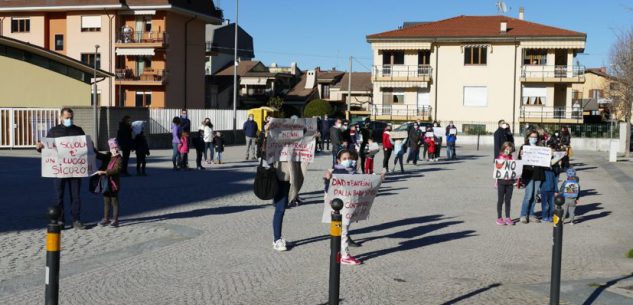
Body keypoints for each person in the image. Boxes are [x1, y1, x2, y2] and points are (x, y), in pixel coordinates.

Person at [35, 107, 87, 230]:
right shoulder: (54, 131)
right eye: (67, 117)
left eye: (71, 117)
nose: (69, 119)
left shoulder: (78, 130)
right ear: (61, 117)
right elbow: (46, 148)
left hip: (75, 170)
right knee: (59, 196)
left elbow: (86, 148)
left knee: (76, 196)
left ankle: (76, 220)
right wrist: (39, 147)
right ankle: (60, 220)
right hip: (59, 170)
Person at [271, 159, 302, 252]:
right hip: (280, 173)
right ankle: (277, 239)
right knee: (280, 208)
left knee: (282, 207)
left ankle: (277, 238)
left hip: (289, 171)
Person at [518, 130, 546, 224]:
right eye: (532, 137)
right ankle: (523, 215)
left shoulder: (541, 147)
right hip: (528, 174)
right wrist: (521, 155)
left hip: (538, 174)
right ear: (528, 137)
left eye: (535, 137)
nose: (533, 138)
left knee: (534, 196)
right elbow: (519, 160)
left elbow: (544, 160)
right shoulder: (524, 147)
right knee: (528, 195)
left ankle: (531, 214)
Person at [96, 138, 123, 227]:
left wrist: (104, 172)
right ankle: (106, 219)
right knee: (106, 201)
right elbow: (99, 155)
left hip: (113, 183)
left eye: (115, 147)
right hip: (106, 182)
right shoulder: (108, 156)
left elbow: (116, 170)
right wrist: (92, 148)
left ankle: (115, 220)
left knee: (114, 201)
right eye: (112, 148)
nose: (114, 149)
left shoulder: (119, 158)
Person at [496, 142, 516, 226]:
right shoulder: (500, 157)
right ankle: (499, 218)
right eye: (506, 149)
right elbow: (497, 169)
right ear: (503, 149)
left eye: (509, 149)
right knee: (501, 200)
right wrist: (504, 158)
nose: (508, 150)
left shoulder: (512, 158)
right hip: (501, 182)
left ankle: (508, 217)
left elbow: (515, 168)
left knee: (508, 200)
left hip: (510, 182)